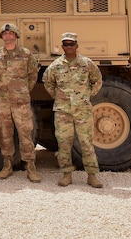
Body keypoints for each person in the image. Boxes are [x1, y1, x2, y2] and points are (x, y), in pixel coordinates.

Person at [42, 32, 104, 188]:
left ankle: (92, 175)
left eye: (72, 44)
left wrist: (87, 95)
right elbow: (47, 82)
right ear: (62, 46)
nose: (69, 47)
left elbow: (97, 80)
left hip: (82, 110)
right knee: (64, 144)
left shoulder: (86, 63)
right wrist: (58, 97)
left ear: (77, 45)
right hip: (63, 111)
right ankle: (67, 175)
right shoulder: (55, 66)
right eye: (66, 44)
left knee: (86, 143)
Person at [0, 22, 41, 182]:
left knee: (25, 134)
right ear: (2, 37)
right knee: (5, 134)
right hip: (3, 101)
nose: (8, 36)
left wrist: (23, 90)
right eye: (5, 34)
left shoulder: (26, 54)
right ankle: (7, 166)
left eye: (11, 33)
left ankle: (30, 167)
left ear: (16, 35)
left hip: (21, 102)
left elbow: (33, 75)